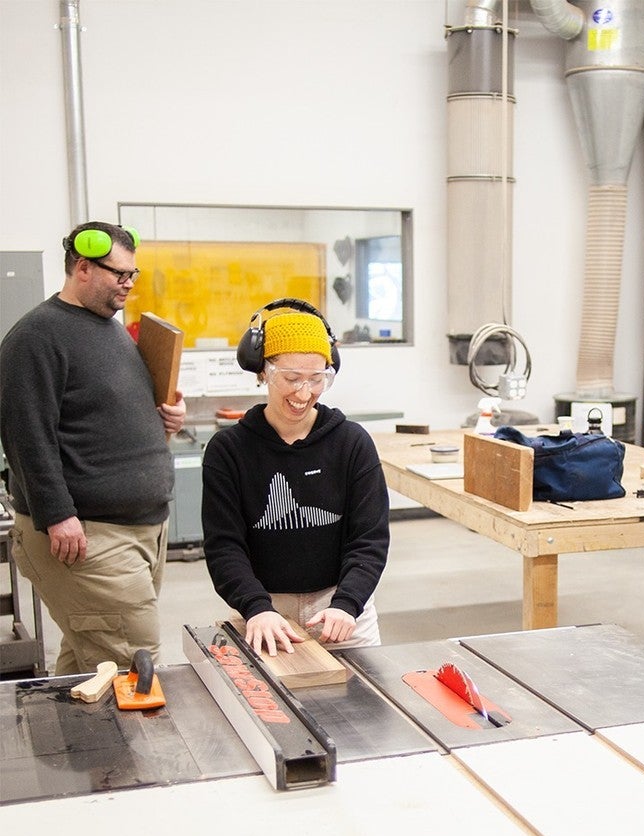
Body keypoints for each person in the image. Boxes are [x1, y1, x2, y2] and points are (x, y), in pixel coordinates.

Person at [0, 221, 186, 675]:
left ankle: (66, 743)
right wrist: (56, 514)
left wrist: (165, 420)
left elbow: (108, 415)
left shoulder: (112, 331)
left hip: (139, 531)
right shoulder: (37, 337)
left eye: (132, 275)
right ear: (82, 267)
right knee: (131, 663)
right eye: (118, 274)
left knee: (93, 659)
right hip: (86, 536)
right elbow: (25, 434)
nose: (127, 284)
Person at [201, 299, 389, 656]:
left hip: (341, 609)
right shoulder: (229, 450)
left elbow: (369, 538)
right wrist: (256, 607)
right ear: (262, 372)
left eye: (317, 379)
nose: (304, 393)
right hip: (263, 611)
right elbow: (225, 546)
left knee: (364, 702)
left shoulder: (352, 444)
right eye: (291, 379)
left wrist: (348, 603)